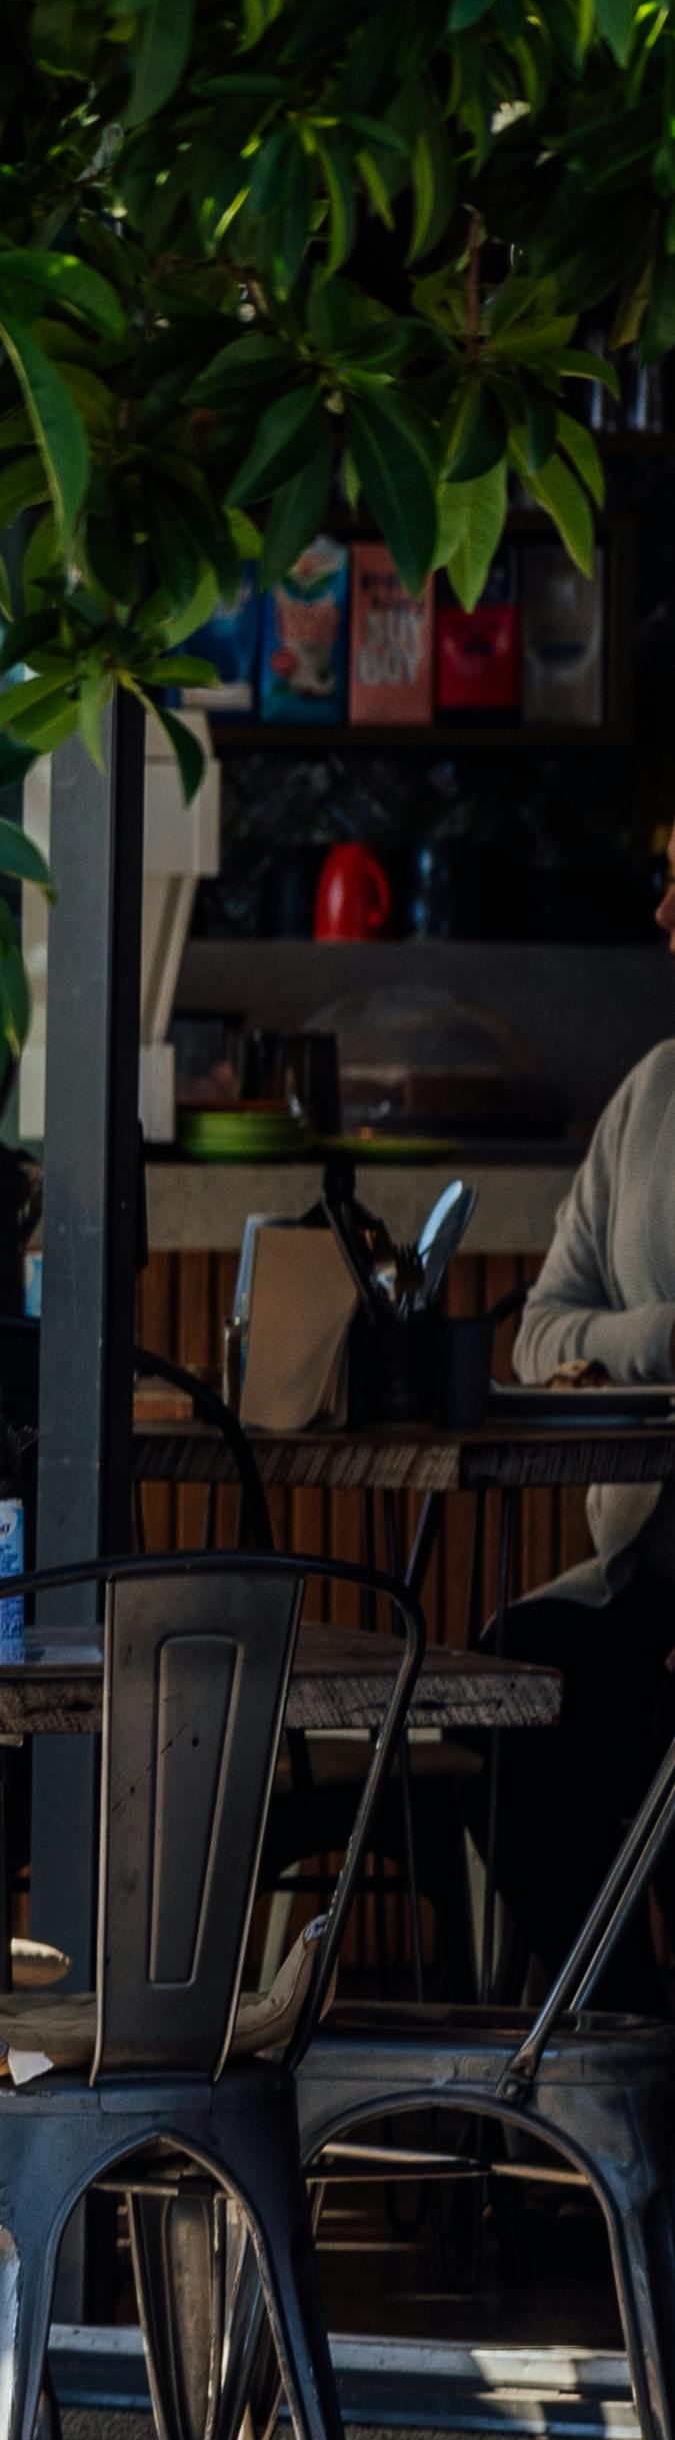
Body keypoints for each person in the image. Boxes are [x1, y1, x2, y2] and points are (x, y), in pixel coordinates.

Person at [498, 834, 675, 1962]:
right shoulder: (651, 1092)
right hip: (633, 1577)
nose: (662, 911)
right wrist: (658, 1337)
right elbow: (535, 1335)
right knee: (507, 1700)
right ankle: (605, 2072)